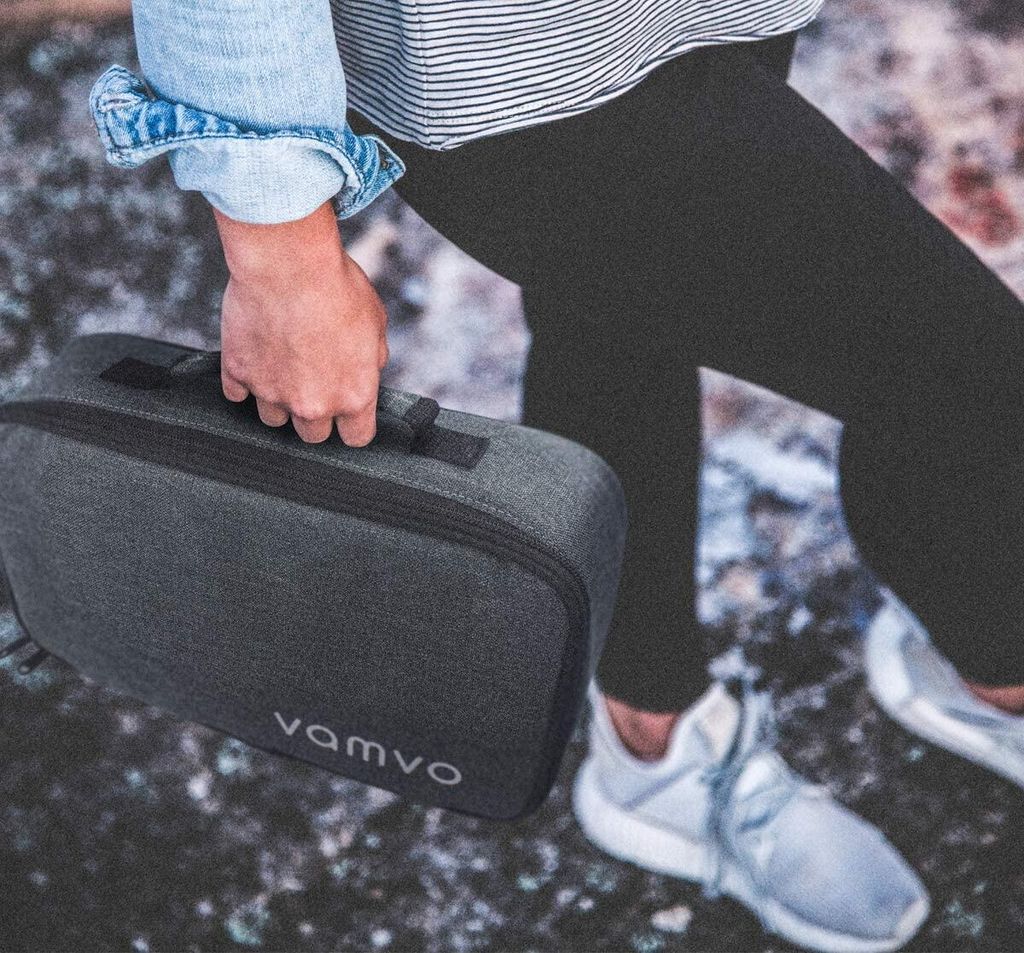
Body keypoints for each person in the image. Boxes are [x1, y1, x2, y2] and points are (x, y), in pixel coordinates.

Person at [87, 1, 1024, 949]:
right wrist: (279, 255)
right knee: (983, 394)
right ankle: (999, 667)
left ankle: (653, 735)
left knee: (616, 312)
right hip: (510, 65)